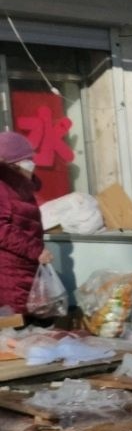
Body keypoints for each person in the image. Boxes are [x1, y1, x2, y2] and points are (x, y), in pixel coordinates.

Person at [0, 132, 48, 316]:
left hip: (24, 266)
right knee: (15, 328)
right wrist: (36, 250)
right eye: (27, 159)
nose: (32, 163)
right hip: (9, 271)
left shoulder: (20, 187)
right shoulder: (3, 187)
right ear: (13, 163)